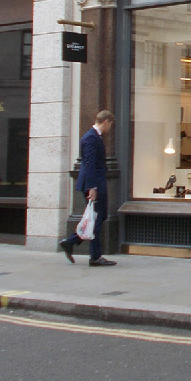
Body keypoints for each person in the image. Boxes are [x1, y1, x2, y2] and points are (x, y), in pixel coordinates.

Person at [60, 110, 117, 266]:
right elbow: (90, 164)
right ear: (105, 121)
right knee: (97, 219)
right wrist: (92, 187)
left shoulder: (93, 136)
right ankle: (94, 256)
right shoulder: (91, 138)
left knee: (98, 217)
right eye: (110, 124)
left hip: (95, 183)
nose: (110, 128)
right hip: (94, 185)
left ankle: (71, 242)